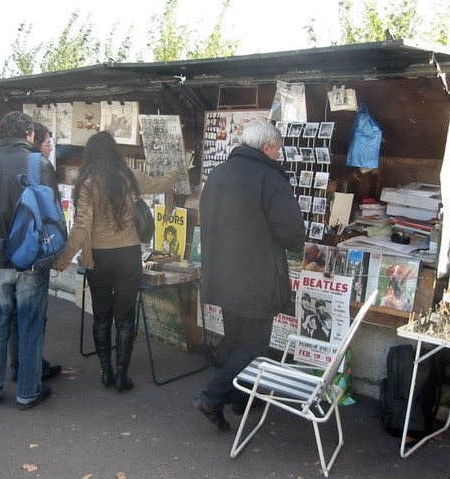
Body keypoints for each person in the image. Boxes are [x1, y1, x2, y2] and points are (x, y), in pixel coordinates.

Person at [194, 119, 306, 431]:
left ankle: (242, 398)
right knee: (254, 345)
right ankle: (211, 396)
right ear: (267, 147)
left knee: (236, 339)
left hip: (223, 272)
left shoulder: (218, 173)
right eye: (277, 150)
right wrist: (297, 244)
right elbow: (291, 231)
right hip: (256, 276)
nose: (278, 155)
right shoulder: (269, 177)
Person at [58, 131, 179, 393]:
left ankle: (106, 372)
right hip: (128, 255)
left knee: (101, 316)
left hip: (98, 258)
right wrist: (177, 171)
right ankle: (123, 376)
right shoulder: (130, 176)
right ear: (114, 152)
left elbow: (82, 225)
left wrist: (64, 258)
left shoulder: (88, 182)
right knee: (125, 317)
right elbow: (159, 185)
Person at [0, 111, 62, 409]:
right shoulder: (40, 164)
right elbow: (53, 215)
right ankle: (28, 391)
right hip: (32, 259)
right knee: (31, 325)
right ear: (29, 134)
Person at [8, 121, 62, 384]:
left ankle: (18, 366)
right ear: (35, 141)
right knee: (32, 314)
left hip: (6, 250)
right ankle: (30, 375)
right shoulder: (40, 165)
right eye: (49, 144)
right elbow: (52, 210)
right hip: (34, 250)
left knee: (13, 315)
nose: (50, 149)